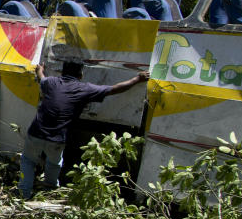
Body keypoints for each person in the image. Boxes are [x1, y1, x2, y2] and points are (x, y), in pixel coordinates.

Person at [18, 61, 149, 198]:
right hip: (57, 139)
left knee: (28, 161)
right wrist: (137, 79)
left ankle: (23, 194)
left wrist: (40, 69)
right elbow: (113, 89)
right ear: (81, 75)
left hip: (36, 132)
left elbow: (41, 78)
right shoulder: (84, 89)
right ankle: (49, 191)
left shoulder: (51, 83)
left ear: (62, 73)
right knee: (54, 163)